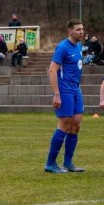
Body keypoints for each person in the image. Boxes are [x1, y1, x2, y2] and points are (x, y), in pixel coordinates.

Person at [44, 19, 86, 173]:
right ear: (70, 32)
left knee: (76, 124)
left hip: (76, 90)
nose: (81, 32)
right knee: (64, 125)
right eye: (78, 29)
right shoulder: (62, 47)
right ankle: (50, 163)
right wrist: (57, 94)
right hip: (64, 91)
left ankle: (68, 163)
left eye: (82, 29)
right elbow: (52, 70)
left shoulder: (79, 46)